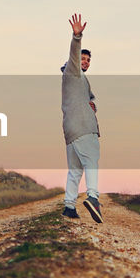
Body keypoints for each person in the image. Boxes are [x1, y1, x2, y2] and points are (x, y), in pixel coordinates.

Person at [61, 13, 101, 222]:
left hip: (70, 132)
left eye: (88, 60)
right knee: (92, 161)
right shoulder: (72, 71)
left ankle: (69, 206)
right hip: (83, 129)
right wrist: (77, 37)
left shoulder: (78, 81)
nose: (84, 62)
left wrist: (92, 103)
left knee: (75, 171)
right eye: (82, 59)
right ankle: (93, 196)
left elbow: (91, 98)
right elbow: (74, 54)